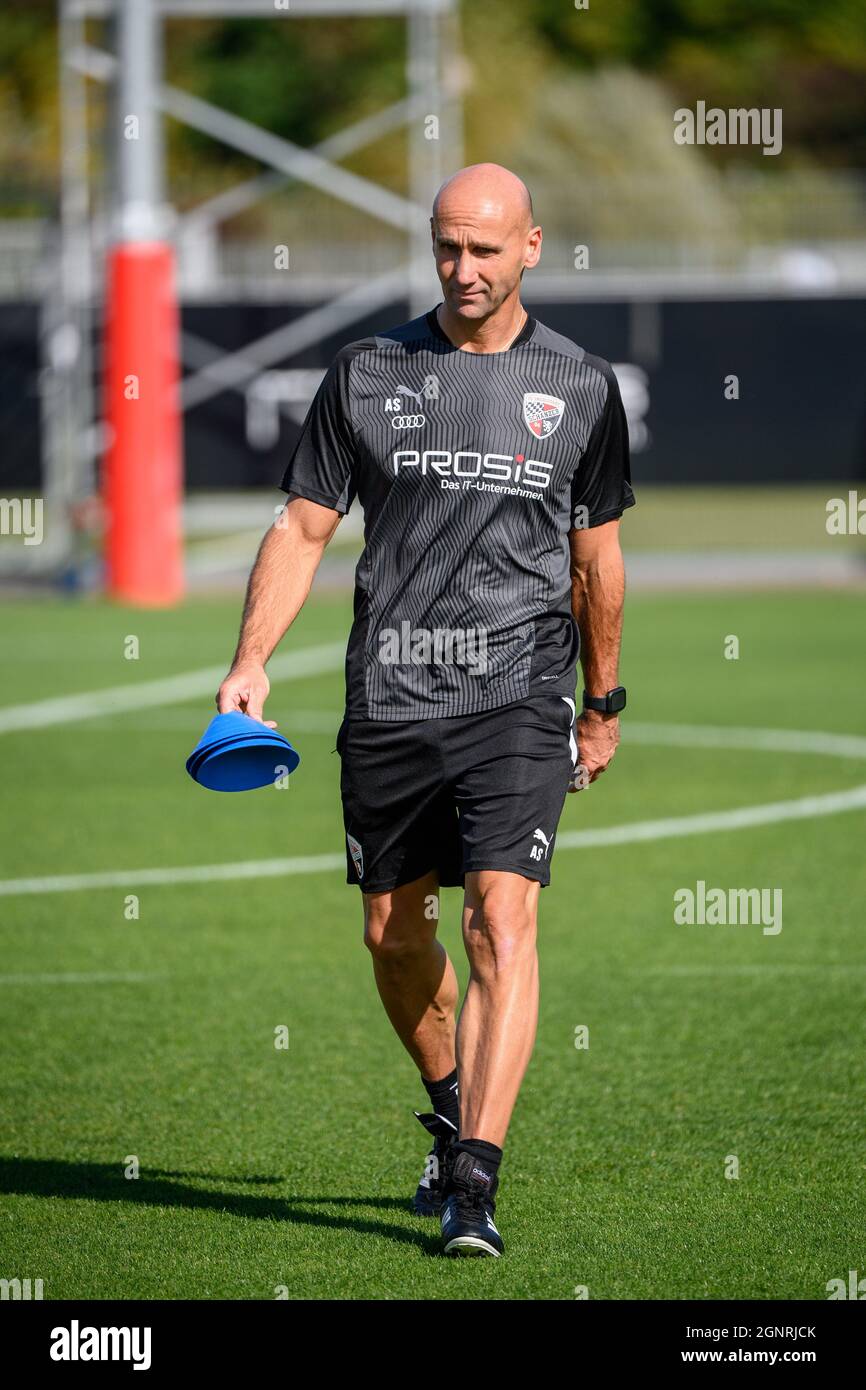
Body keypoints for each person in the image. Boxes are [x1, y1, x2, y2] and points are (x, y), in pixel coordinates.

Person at [217, 162, 634, 1257]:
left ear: (531, 247)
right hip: (391, 695)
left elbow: (597, 562)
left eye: (486, 249)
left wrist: (601, 702)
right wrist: (250, 660)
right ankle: (448, 1101)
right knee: (393, 934)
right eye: (446, 246)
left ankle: (473, 1184)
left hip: (515, 695)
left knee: (502, 920)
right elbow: (301, 529)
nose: (463, 268)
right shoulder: (366, 372)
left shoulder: (580, 387)